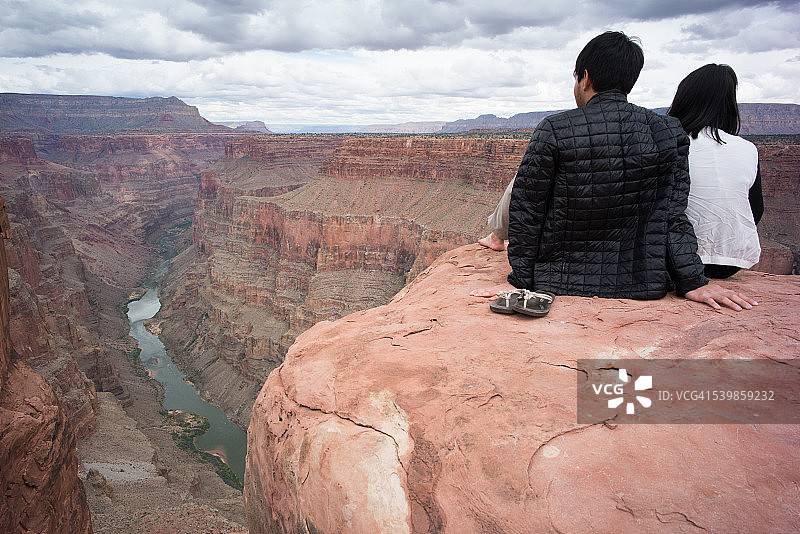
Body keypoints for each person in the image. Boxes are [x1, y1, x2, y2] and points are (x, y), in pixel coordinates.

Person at [472, 31, 756, 311]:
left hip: (558, 280)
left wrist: (520, 280)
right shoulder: (669, 131)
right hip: (643, 283)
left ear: (585, 78)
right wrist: (692, 281)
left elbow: (527, 212)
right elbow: (673, 216)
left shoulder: (554, 129)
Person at [668, 63, 763, 279]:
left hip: (678, 259)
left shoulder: (672, 142)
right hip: (731, 261)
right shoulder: (748, 149)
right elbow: (756, 208)